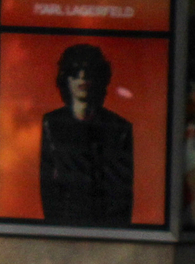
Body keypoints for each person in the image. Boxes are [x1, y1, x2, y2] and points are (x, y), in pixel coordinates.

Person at [39, 43, 135, 226]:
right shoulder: (52, 123)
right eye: (75, 72)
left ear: (100, 78)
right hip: (65, 222)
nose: (82, 77)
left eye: (89, 71)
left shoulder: (119, 128)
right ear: (65, 79)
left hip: (105, 224)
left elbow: (122, 191)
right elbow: (48, 185)